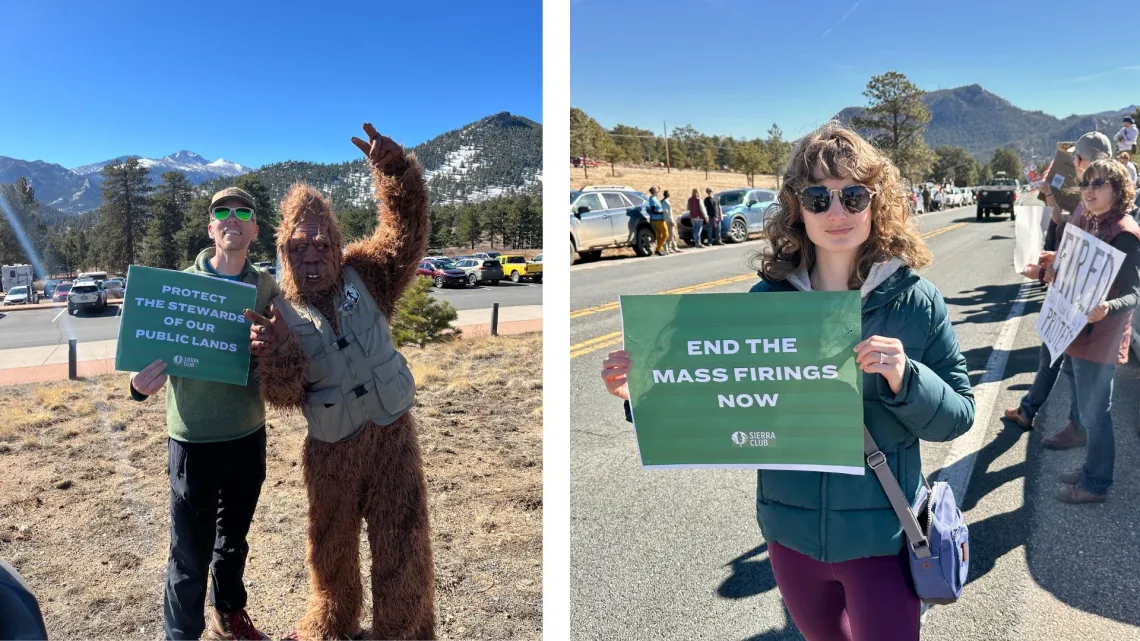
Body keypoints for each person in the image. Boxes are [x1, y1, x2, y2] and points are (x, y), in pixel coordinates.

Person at [600, 122, 975, 641]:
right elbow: (723, 402)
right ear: (797, 206)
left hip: (881, 538)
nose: (837, 212)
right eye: (818, 197)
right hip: (790, 538)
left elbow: (959, 414)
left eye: (853, 195)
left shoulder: (915, 300)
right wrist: (641, 394)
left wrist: (905, 376)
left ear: (877, 201)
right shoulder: (768, 300)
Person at [129, 187, 282, 641]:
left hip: (247, 434)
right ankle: (182, 634)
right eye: (222, 212)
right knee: (189, 553)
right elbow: (140, 357)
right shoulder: (176, 288)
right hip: (192, 441)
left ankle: (229, 617)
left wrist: (276, 349)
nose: (231, 218)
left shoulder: (266, 287)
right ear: (210, 226)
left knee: (232, 543)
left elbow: (287, 352)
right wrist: (137, 388)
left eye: (242, 212)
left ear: (254, 228)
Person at [1041, 158, 1140, 503]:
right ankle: (1091, 471)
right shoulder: (1090, 220)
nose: (1089, 191)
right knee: (1087, 409)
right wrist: (1053, 270)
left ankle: (1096, 484)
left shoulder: (1124, 233)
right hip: (1077, 330)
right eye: (1086, 184)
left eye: (1098, 184)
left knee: (1097, 413)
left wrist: (1107, 308)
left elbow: (1134, 293)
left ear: (1118, 190)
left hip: (1102, 336)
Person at [1006, 132, 1112, 449]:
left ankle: (1078, 428)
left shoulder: (1097, 192)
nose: (1073, 163)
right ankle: (1029, 410)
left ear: (1080, 160)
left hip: (1085, 294)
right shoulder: (1094, 189)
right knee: (1052, 352)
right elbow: (1071, 227)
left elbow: (1089, 245)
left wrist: (1049, 269)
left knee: (1072, 362)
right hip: (1073, 289)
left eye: (1075, 158)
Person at [646, 186, 668, 256]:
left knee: (660, 235)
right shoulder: (652, 199)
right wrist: (662, 212)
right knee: (666, 234)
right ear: (654, 191)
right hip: (658, 219)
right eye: (657, 190)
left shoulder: (654, 198)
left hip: (659, 219)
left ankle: (660, 249)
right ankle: (658, 249)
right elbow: (653, 211)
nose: (658, 191)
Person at [662, 190, 681, 254]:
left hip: (666, 220)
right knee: (671, 234)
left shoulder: (663, 201)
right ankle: (669, 247)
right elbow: (667, 213)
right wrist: (672, 221)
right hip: (668, 220)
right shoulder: (665, 202)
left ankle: (674, 246)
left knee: (673, 234)